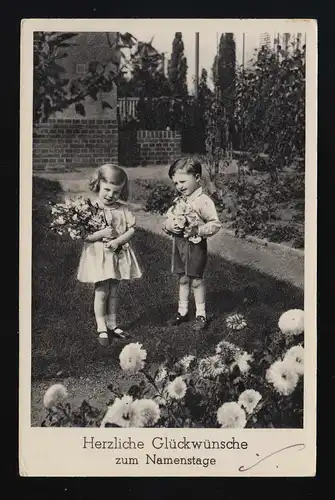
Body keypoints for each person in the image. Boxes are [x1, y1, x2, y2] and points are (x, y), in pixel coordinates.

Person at [77, 164, 143, 346]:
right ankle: (101, 327)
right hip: (99, 256)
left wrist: (118, 241)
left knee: (113, 290)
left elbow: (131, 230)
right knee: (102, 290)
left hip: (116, 253)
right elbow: (86, 236)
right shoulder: (91, 208)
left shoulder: (123, 210)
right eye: (106, 190)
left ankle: (112, 324)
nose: (110, 195)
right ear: (98, 185)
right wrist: (102, 234)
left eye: (115, 192)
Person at [163, 157, 221, 331]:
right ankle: (182, 312)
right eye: (175, 183)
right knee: (182, 278)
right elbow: (168, 219)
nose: (179, 186)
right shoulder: (179, 200)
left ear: (196, 178)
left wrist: (198, 230)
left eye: (182, 181)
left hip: (195, 246)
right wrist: (169, 225)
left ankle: (201, 314)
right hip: (179, 244)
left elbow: (215, 224)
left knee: (196, 280)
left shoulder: (203, 201)